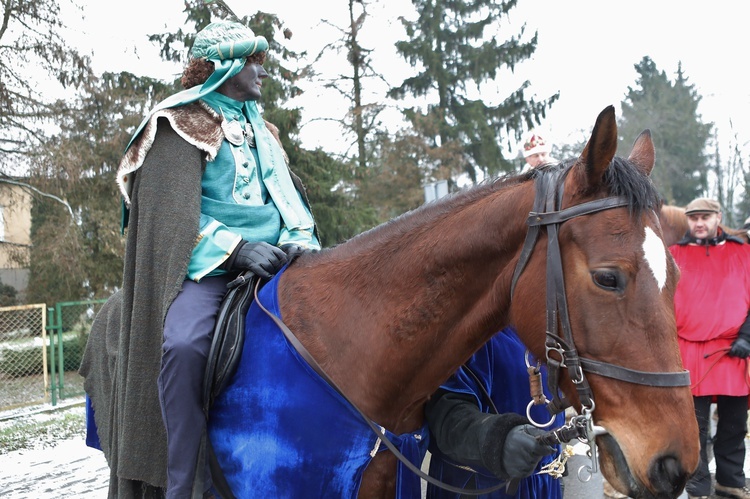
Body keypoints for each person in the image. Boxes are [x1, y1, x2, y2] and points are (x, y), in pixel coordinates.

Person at [80, 20, 320, 498]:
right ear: (224, 66)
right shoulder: (177, 125)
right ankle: (183, 482)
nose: (262, 72)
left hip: (282, 260)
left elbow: (290, 202)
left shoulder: (264, 130)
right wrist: (235, 250)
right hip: (208, 268)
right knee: (184, 344)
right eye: (253, 61)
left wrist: (298, 239)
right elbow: (168, 221)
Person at [669, 197, 750, 499]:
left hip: (733, 353)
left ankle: (730, 481)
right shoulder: (672, 255)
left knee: (733, 424)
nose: (699, 223)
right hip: (687, 351)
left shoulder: (743, 254)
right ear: (688, 221)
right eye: (694, 218)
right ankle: (698, 487)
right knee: (694, 428)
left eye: (705, 217)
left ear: (718, 217)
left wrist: (746, 338)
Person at [424, 327, 565, 498]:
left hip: (545, 482)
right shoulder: (473, 327)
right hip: (482, 486)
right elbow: (444, 412)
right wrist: (496, 441)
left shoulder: (545, 322)